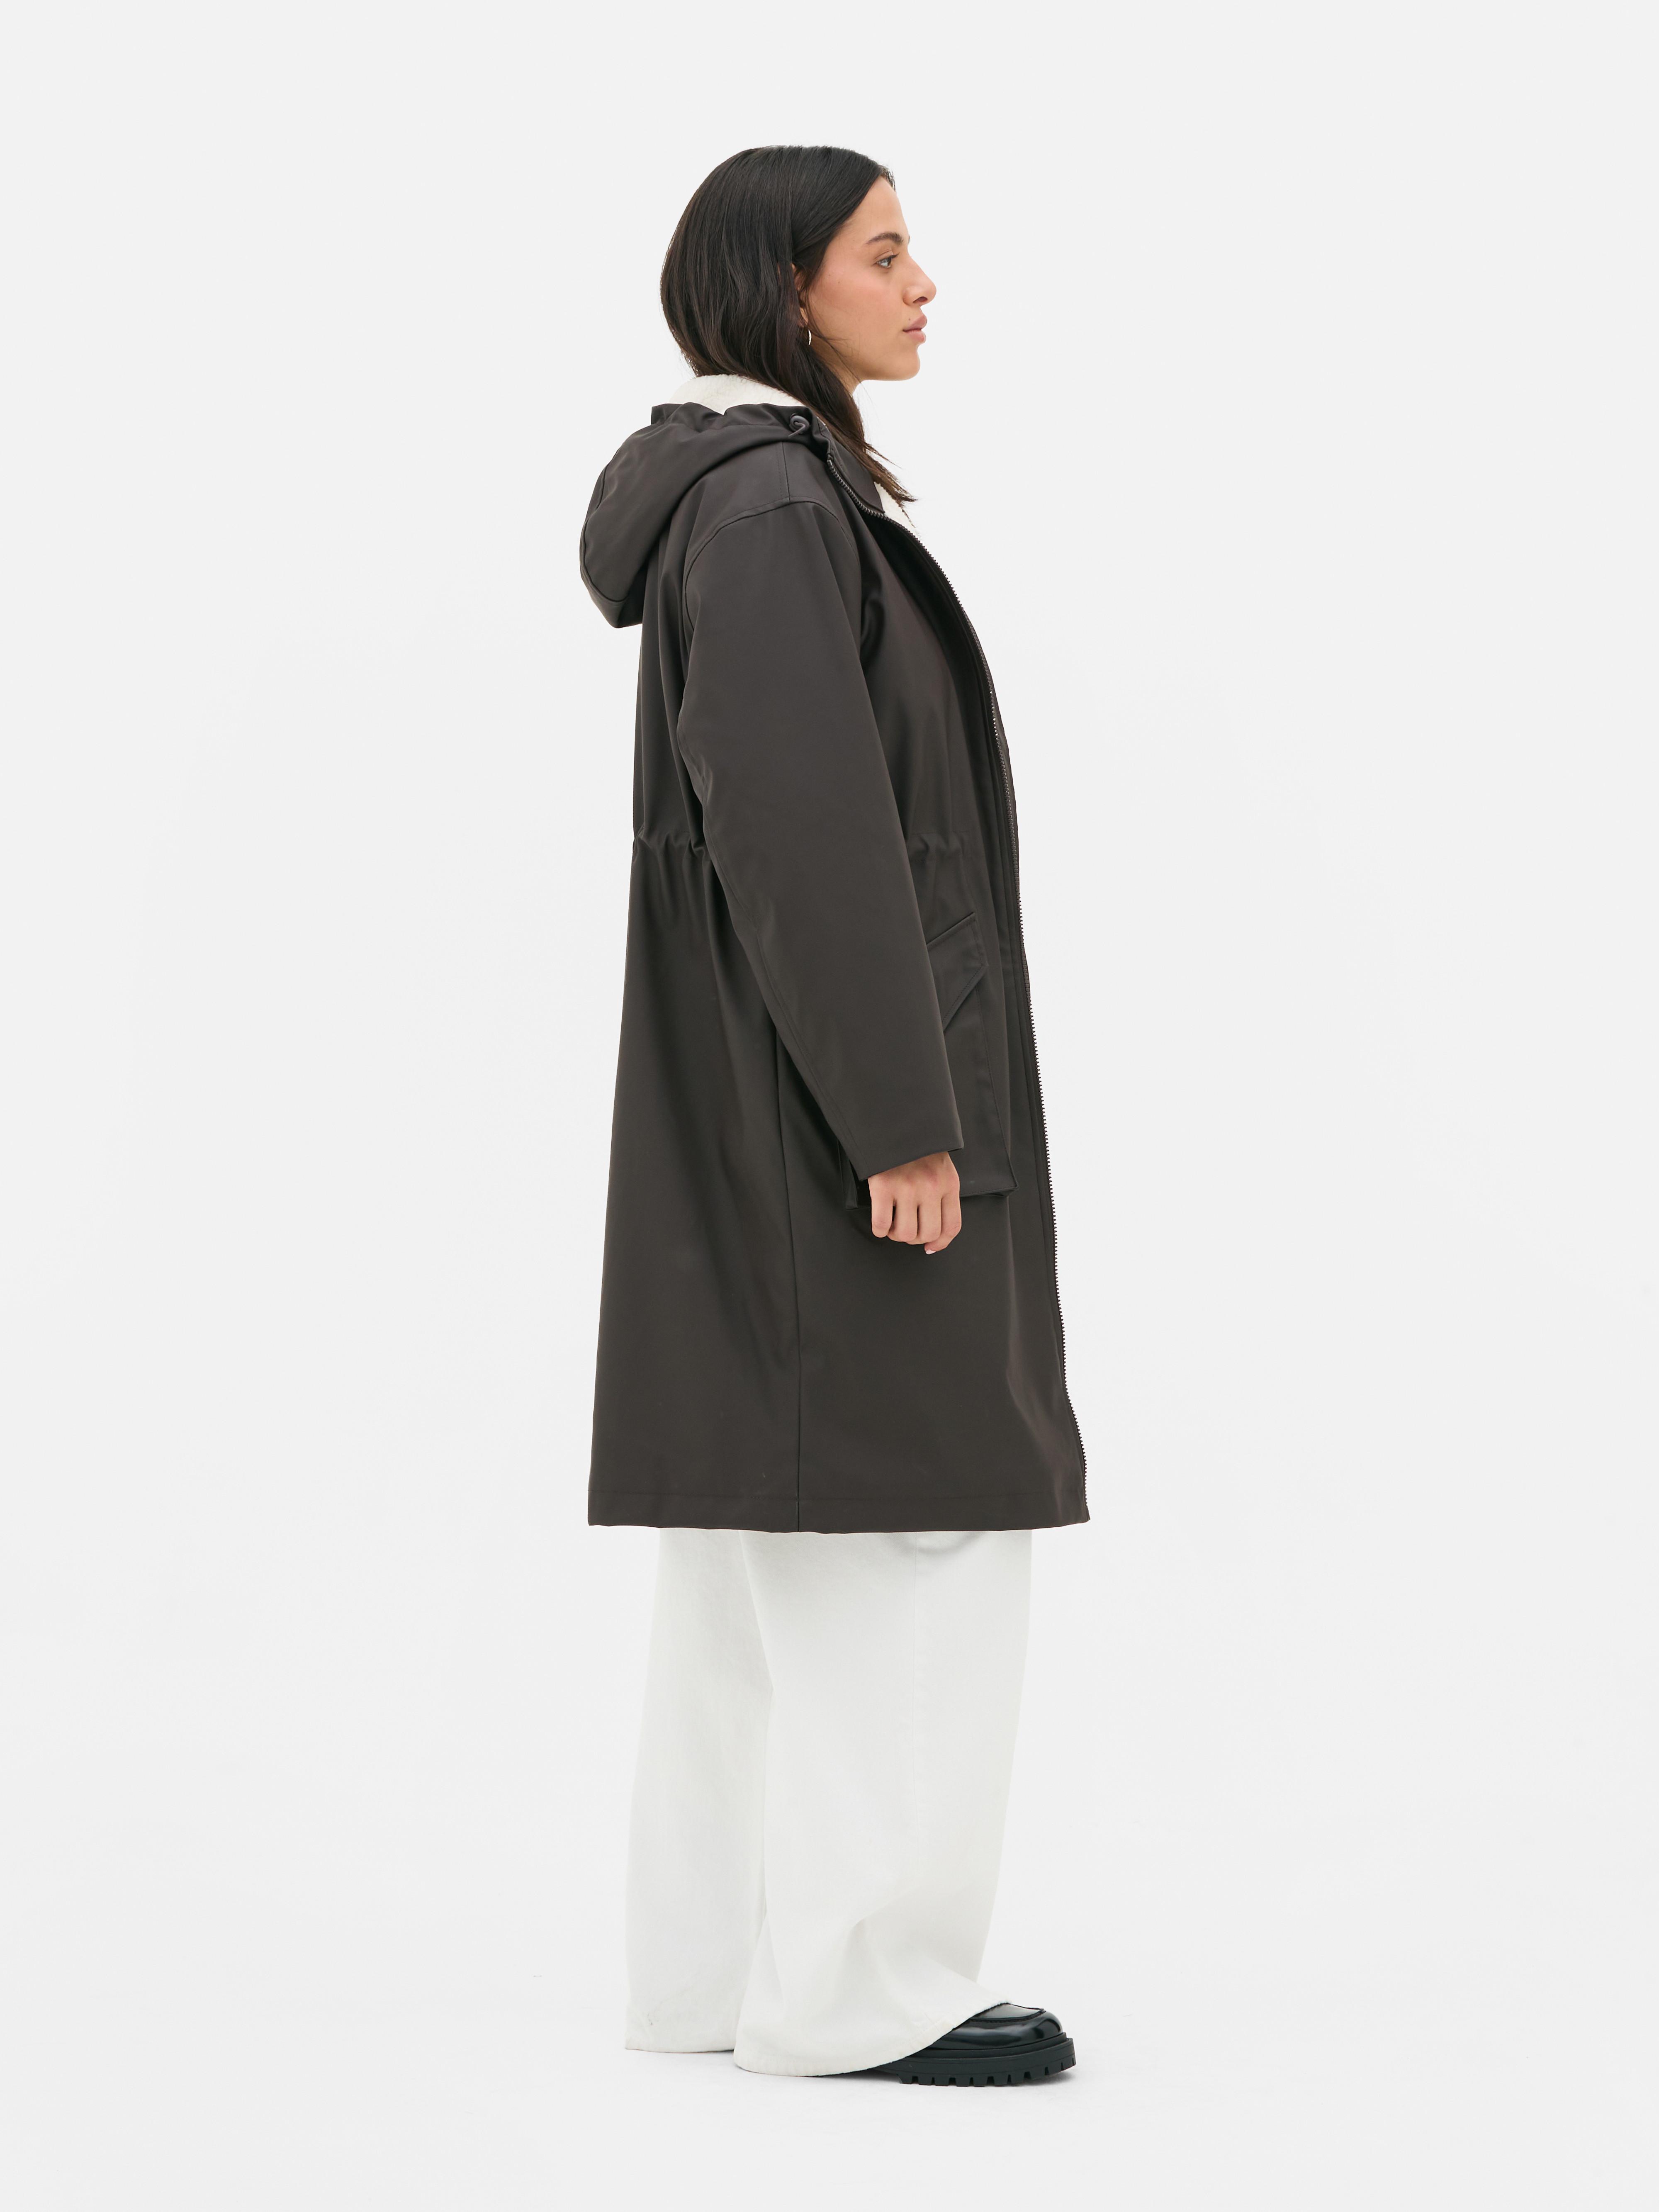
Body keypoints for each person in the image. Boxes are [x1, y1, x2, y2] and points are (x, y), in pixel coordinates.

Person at [578, 145, 1086, 2085]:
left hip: (763, 1109)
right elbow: (805, 836)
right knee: (910, 1533)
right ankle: (863, 1991)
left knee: (759, 1562)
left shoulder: (748, 499)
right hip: (833, 1123)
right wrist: (901, 1118)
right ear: (786, 290)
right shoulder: (779, 508)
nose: (923, 281)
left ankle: (714, 1981)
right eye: (884, 251)